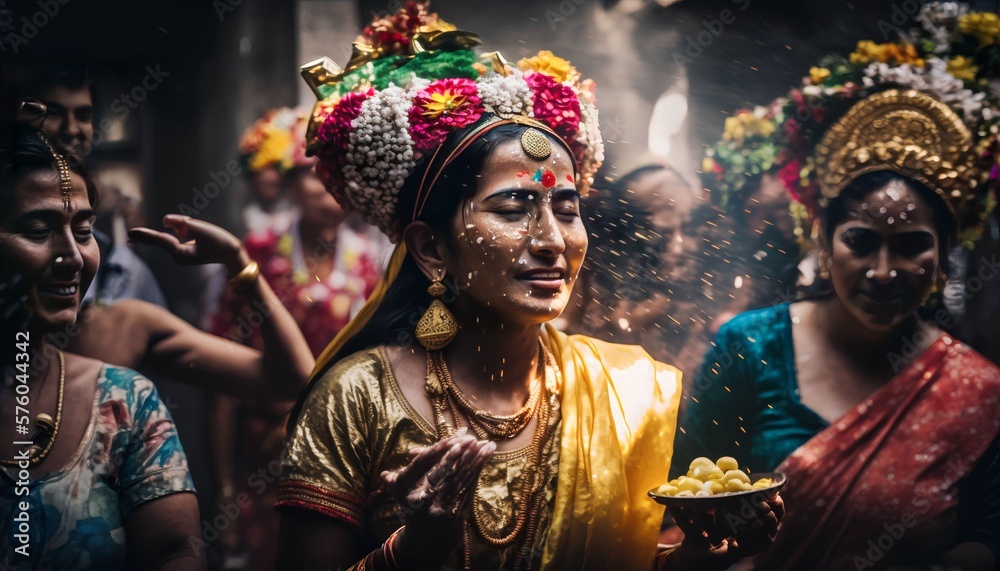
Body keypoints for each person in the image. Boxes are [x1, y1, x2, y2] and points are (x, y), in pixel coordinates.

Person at [274, 5, 782, 570]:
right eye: (514, 207)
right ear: (431, 248)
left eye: (567, 209)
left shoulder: (620, 389)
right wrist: (409, 554)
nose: (552, 240)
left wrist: (704, 555)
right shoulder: (357, 398)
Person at [677, 20, 1000, 569]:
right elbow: (675, 500)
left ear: (946, 255)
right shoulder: (749, 348)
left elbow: (988, 535)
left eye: (911, 246)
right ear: (822, 245)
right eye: (860, 242)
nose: (882, 271)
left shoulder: (978, 390)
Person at [0, 122, 204, 569]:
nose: (73, 256)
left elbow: (175, 554)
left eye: (85, 230)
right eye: (38, 229)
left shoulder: (127, 403)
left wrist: (243, 271)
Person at [209, 110, 382, 570]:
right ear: (289, 183)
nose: (327, 191)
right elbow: (223, 381)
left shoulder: (369, 266)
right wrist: (222, 494)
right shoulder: (254, 256)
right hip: (262, 450)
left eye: (337, 179)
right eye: (313, 176)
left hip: (340, 446)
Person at [236, 108, 300, 235]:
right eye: (259, 169)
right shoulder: (250, 216)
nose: (266, 176)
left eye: (274, 166)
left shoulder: (301, 214)